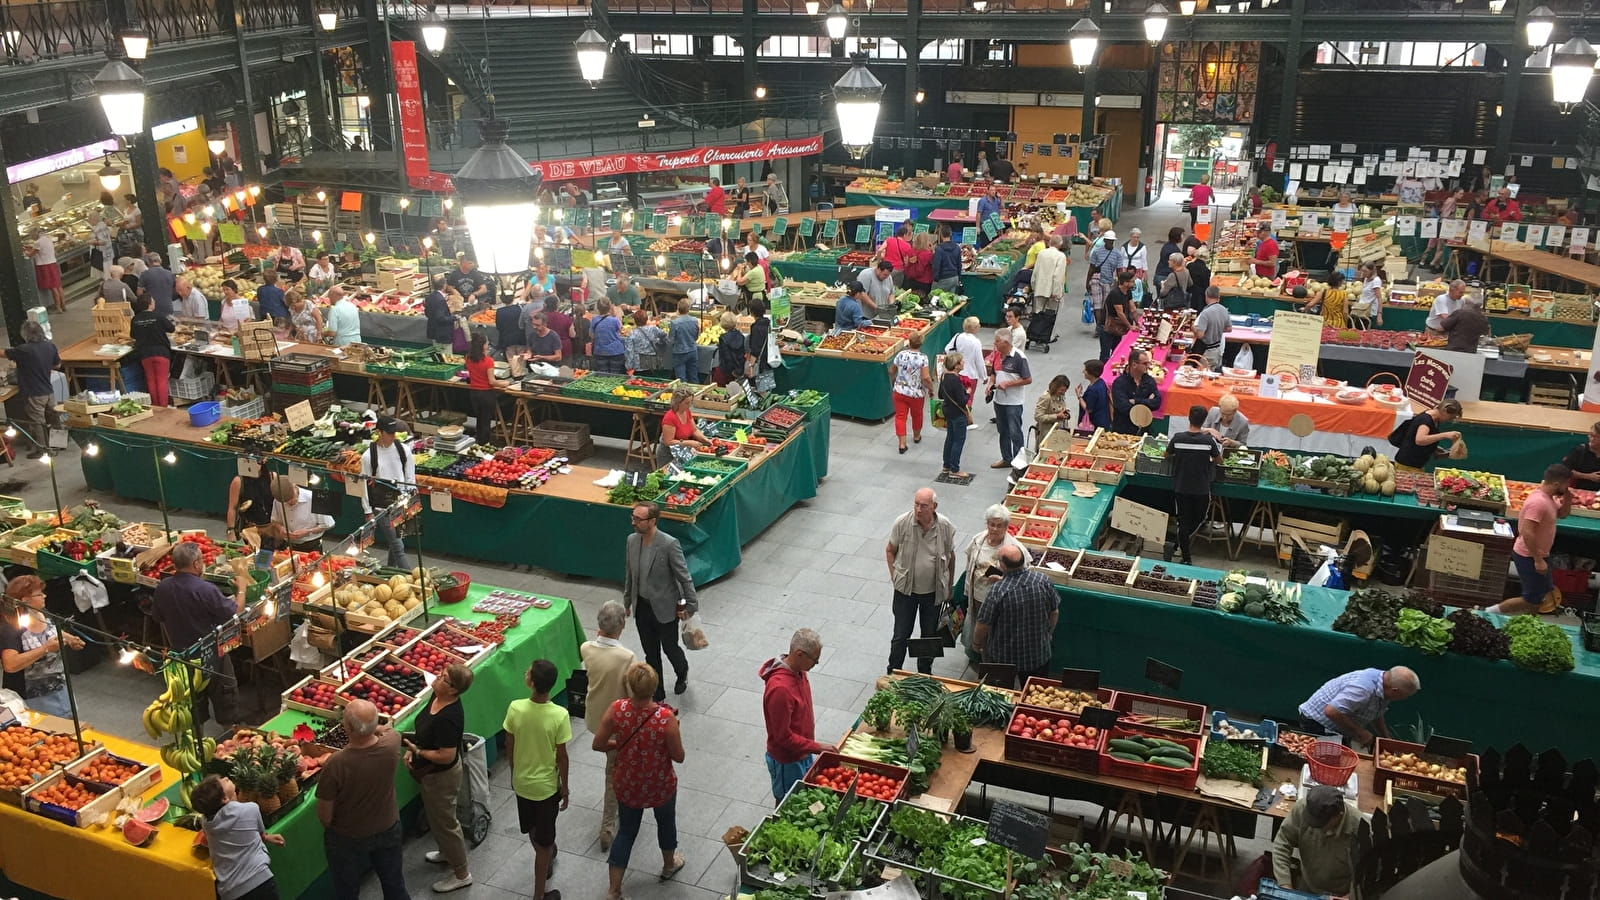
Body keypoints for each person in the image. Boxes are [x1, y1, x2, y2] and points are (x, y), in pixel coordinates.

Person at [593, 662, 686, 897]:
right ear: (654, 687)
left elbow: (598, 744)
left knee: (626, 831)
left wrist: (620, 743)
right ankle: (668, 864)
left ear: (630, 687)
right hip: (660, 783)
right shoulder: (666, 718)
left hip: (627, 783)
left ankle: (614, 889)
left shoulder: (617, 709)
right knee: (666, 822)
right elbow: (679, 756)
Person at [317, 700, 409, 900]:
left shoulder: (336, 764)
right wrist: (372, 727)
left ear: (347, 727)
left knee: (347, 891)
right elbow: (388, 731)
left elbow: (325, 816)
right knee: (394, 884)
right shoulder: (391, 743)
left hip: (347, 837)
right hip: (387, 827)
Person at [154, 541, 248, 724]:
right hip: (211, 653)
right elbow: (235, 613)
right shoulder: (205, 589)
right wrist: (242, 589)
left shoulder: (163, 587)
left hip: (181, 656)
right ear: (196, 563)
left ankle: (198, 740)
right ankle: (231, 734)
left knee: (193, 703)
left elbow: (158, 617)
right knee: (224, 693)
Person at [403, 664, 475, 893]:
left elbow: (446, 755)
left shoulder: (449, 717)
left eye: (444, 679)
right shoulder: (437, 695)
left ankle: (462, 873)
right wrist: (412, 747)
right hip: (432, 775)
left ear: (454, 690)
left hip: (442, 777)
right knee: (438, 819)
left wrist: (418, 752)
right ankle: (446, 854)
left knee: (446, 823)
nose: (437, 679)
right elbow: (425, 730)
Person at [505, 659, 569, 900]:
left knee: (532, 827)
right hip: (546, 787)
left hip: (522, 783)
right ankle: (539, 895)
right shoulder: (559, 715)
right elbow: (561, 757)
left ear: (530, 682)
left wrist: (514, 770)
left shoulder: (515, 708)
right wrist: (565, 787)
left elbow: (509, 743)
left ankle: (546, 850)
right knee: (543, 843)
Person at [624, 502, 697, 700]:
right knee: (650, 653)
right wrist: (627, 600)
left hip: (665, 607)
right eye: (633, 517)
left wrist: (690, 605)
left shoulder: (668, 544)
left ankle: (682, 672)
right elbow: (630, 574)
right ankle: (658, 693)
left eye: (638, 519)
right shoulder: (632, 541)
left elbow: (683, 576)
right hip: (642, 607)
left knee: (670, 648)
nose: (634, 522)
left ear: (653, 521)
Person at [580, 602, 635, 850]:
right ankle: (607, 827)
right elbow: (634, 694)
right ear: (621, 626)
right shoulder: (626, 657)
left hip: (595, 717)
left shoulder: (586, 649)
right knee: (613, 773)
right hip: (618, 724)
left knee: (614, 765)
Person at [884, 488, 956, 674]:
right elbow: (890, 550)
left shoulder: (945, 526)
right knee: (900, 635)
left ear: (934, 507)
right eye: (916, 504)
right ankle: (893, 671)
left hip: (933, 594)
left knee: (929, 636)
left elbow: (950, 555)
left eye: (923, 506)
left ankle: (924, 673)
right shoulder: (902, 523)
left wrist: (949, 586)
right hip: (905, 592)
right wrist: (895, 576)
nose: (918, 509)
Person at [1488, 464, 1573, 616]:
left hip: (1540, 555)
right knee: (1532, 598)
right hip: (1528, 555)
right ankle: (1490, 612)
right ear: (1556, 484)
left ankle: (1530, 621)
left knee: (1541, 594)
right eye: (1566, 483)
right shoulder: (1538, 502)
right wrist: (1538, 560)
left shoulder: (1549, 498)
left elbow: (1562, 514)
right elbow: (1527, 532)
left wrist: (1568, 498)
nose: (1568, 486)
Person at [973, 544, 1058, 685]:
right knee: (1035, 696)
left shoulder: (997, 591)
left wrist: (976, 643)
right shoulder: (1043, 581)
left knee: (1000, 696)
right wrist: (1048, 634)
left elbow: (983, 624)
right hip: (1037, 654)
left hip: (1004, 658)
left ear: (1003, 566)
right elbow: (1054, 612)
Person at [0, 575, 84, 717]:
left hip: (59, 686)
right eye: (39, 594)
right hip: (33, 696)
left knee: (70, 726)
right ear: (25, 600)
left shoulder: (42, 613)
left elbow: (50, 630)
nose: (44, 596)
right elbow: (10, 664)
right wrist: (45, 649)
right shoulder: (11, 628)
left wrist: (70, 639)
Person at [191, 774, 285, 900]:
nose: (225, 778)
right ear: (224, 798)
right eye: (223, 782)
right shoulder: (251, 809)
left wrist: (265, 837)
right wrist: (264, 836)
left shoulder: (206, 823)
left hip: (230, 892)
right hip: (260, 881)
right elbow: (258, 831)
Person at [760, 628, 828, 802]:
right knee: (787, 803)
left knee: (802, 797)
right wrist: (817, 747)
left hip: (803, 752)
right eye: (815, 660)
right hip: (787, 761)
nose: (816, 664)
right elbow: (782, 737)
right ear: (799, 654)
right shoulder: (780, 689)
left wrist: (810, 747)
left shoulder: (800, 672)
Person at [1298, 665, 1420, 747]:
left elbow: (1377, 712)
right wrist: (1360, 732)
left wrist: (1386, 738)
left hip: (1336, 726)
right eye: (1405, 695)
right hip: (1317, 722)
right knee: (1335, 762)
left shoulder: (1384, 682)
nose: (1404, 699)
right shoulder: (1363, 688)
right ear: (1395, 691)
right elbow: (1331, 712)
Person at [1271, 785, 1360, 897]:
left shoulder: (1360, 829)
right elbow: (1282, 843)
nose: (1315, 828)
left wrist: (1349, 897)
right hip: (1308, 884)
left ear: (1338, 816)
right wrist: (1285, 884)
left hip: (1340, 893)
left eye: (1321, 824)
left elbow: (1368, 877)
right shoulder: (1303, 808)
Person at [1169, 405, 1223, 565]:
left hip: (1181, 488)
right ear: (1204, 421)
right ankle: (1185, 555)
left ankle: (1180, 543)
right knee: (1199, 518)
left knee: (1183, 521)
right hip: (1201, 489)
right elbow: (1219, 460)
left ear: (1188, 418)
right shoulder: (1208, 442)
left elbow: (1167, 454)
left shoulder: (1178, 438)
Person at [359, 417, 415, 569]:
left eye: (394, 433)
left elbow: (410, 477)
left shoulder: (404, 450)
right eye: (389, 433)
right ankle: (409, 578)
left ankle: (391, 571)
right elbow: (364, 484)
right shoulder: (368, 456)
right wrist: (368, 511)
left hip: (401, 504)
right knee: (398, 546)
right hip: (381, 507)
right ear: (379, 432)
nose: (393, 436)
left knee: (395, 542)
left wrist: (410, 501)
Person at [5, 320, 60, 457]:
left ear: (26, 335)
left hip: (34, 392)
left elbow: (4, 354)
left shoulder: (24, 350)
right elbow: (57, 365)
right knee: (54, 418)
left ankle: (43, 450)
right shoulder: (50, 346)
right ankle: (59, 444)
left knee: (38, 422)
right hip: (48, 390)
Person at [990, 331, 1031, 468]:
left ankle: (1020, 462)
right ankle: (1006, 458)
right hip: (999, 400)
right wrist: (991, 383)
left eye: (997, 341)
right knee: (1003, 431)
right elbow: (993, 373)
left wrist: (1008, 384)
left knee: (1015, 432)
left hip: (1014, 402)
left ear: (1006, 343)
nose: (994, 344)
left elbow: (1028, 379)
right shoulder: (997, 355)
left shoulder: (1019, 357)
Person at [1391, 398, 1463, 472]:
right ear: (1445, 411)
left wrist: (1434, 448)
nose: (1450, 420)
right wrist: (1445, 435)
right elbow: (1420, 440)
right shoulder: (1426, 420)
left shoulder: (1435, 420)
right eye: (1451, 417)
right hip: (1407, 464)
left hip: (1416, 463)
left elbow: (1422, 438)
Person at [130, 294, 176, 407]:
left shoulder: (135, 319)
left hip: (144, 353)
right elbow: (171, 328)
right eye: (153, 301)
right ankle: (163, 407)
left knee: (150, 380)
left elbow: (133, 335)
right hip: (161, 353)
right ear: (150, 304)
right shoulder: (158, 316)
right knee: (162, 380)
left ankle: (155, 407)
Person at [890, 331, 933, 453]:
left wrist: (894, 382)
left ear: (909, 341)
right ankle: (916, 436)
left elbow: (891, 371)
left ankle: (902, 444)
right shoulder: (923, 358)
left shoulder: (901, 355)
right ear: (921, 343)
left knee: (900, 417)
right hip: (916, 394)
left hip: (899, 391)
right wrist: (931, 389)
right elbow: (925, 378)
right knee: (917, 415)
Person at [266, 477, 334, 551]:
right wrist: (281, 529)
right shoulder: (277, 500)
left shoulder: (314, 498)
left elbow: (329, 524)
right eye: (285, 502)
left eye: (291, 498)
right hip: (288, 545)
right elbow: (275, 521)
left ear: (295, 486)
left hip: (311, 545)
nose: (289, 503)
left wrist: (308, 531)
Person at [465, 333, 508, 443]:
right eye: (487, 343)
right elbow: (492, 381)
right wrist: (504, 383)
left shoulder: (468, 358)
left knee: (479, 419)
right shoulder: (488, 361)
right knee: (486, 421)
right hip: (486, 394)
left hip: (474, 393)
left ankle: (479, 442)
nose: (488, 344)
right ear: (483, 346)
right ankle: (484, 443)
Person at [1111, 347, 1161, 435]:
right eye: (1145, 364)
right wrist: (1147, 402)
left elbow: (1156, 403)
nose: (1148, 366)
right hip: (1123, 430)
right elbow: (1123, 407)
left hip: (1145, 430)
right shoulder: (1119, 383)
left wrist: (1135, 401)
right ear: (1134, 365)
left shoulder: (1149, 381)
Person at [938, 353, 971, 477]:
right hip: (958, 413)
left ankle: (946, 466)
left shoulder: (944, 376)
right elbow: (962, 401)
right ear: (956, 365)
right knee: (958, 440)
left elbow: (941, 395)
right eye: (961, 361)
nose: (963, 363)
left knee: (950, 438)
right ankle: (955, 469)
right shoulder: (955, 380)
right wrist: (967, 393)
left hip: (948, 412)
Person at [657, 389, 711, 466]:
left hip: (682, 452)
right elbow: (668, 442)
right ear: (678, 403)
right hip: (668, 455)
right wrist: (689, 443)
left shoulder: (687, 411)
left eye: (691, 402)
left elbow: (694, 430)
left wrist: (705, 440)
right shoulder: (670, 418)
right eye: (687, 403)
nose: (690, 405)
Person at [25, 227, 65, 313]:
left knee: (53, 287)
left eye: (31, 235)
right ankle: (63, 305)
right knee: (58, 286)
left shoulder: (38, 242)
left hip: (44, 266)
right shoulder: (48, 239)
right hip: (53, 263)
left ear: (35, 234)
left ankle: (58, 308)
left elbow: (30, 254)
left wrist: (25, 251)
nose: (32, 237)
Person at [1100, 268, 1137, 361]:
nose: (1133, 284)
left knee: (1116, 349)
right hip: (1107, 326)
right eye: (1132, 282)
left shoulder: (1128, 291)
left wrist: (1138, 322)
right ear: (1125, 283)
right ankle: (1101, 371)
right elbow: (1120, 313)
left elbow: (1132, 308)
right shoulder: (1115, 294)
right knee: (1105, 352)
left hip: (1118, 326)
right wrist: (1130, 326)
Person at [946, 315, 985, 401]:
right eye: (978, 325)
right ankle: (966, 414)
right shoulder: (976, 342)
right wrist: (984, 376)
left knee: (955, 397)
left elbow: (947, 350)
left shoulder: (957, 336)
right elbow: (979, 361)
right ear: (975, 327)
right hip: (970, 374)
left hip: (957, 372)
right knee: (968, 398)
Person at [1192, 285, 1231, 369]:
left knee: (1203, 376)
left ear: (1206, 296)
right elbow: (1229, 329)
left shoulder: (1205, 313)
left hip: (1207, 352)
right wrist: (1217, 329)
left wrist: (1193, 328)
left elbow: (1200, 335)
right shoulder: (1224, 310)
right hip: (1218, 350)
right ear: (1218, 297)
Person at [666, 299, 701, 384]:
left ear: (678, 309)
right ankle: (697, 393)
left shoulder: (674, 323)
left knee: (681, 378)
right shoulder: (695, 320)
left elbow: (671, 340)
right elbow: (696, 336)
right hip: (692, 350)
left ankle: (683, 394)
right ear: (688, 309)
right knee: (693, 376)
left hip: (679, 352)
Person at [1031, 235, 1068, 312]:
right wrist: (1056, 292)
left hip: (1039, 288)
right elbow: (1058, 276)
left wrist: (1034, 286)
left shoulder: (1041, 253)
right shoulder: (1061, 256)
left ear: (1050, 243)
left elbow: (1036, 271)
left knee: (1038, 313)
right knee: (1050, 315)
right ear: (1060, 244)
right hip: (1051, 291)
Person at [591, 298, 626, 374]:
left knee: (603, 376)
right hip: (616, 351)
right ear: (610, 307)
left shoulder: (594, 320)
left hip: (600, 351)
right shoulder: (615, 320)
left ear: (598, 308)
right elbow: (621, 331)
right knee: (615, 375)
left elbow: (591, 335)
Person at [139, 251, 177, 318]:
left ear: (148, 262)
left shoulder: (145, 274)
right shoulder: (170, 274)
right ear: (160, 261)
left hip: (152, 308)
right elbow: (176, 290)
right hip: (168, 306)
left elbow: (139, 292)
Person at [713, 310, 746, 387]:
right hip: (738, 370)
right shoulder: (741, 336)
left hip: (726, 371)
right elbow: (742, 355)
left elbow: (726, 357)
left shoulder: (723, 338)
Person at [1562, 422, 1600, 486]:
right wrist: (1588, 476)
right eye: (1590, 435)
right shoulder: (1580, 450)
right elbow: (1565, 470)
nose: (1591, 438)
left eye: (1595, 436)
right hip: (1582, 489)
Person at [424, 275, 455, 349]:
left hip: (433, 331)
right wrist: (453, 318)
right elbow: (441, 318)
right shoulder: (441, 300)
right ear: (444, 286)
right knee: (445, 355)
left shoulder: (429, 297)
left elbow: (427, 313)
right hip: (442, 334)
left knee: (437, 352)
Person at [1115, 228, 1149, 294]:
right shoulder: (1124, 247)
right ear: (1130, 237)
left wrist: (1145, 273)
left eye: (1138, 237)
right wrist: (1117, 273)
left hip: (1137, 271)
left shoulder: (1142, 247)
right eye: (1134, 237)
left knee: (1136, 289)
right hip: (1125, 271)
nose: (1136, 239)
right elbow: (1120, 260)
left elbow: (1144, 261)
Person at [496, 291, 528, 361]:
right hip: (521, 339)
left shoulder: (499, 311)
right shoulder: (520, 309)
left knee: (511, 361)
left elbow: (499, 327)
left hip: (508, 341)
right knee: (521, 361)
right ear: (513, 298)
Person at [1080, 359, 1111, 430]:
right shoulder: (1101, 382)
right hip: (1104, 419)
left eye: (1085, 370)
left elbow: (1088, 409)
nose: (1083, 372)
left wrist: (1079, 397)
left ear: (1091, 373)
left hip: (1095, 423)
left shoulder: (1093, 390)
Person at [932, 224, 963, 293]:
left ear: (941, 235)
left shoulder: (939, 249)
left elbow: (937, 265)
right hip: (955, 277)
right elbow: (959, 264)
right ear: (951, 234)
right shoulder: (957, 247)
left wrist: (935, 279)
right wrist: (959, 278)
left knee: (935, 298)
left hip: (943, 278)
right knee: (950, 299)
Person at [904, 231, 935, 296]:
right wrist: (932, 250)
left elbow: (906, 263)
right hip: (925, 281)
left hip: (911, 279)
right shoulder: (928, 254)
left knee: (912, 299)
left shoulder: (910, 251)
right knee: (923, 300)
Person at [1187, 246, 1213, 312]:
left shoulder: (1190, 266)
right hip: (1198, 297)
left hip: (1188, 294)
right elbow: (1206, 286)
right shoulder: (1206, 270)